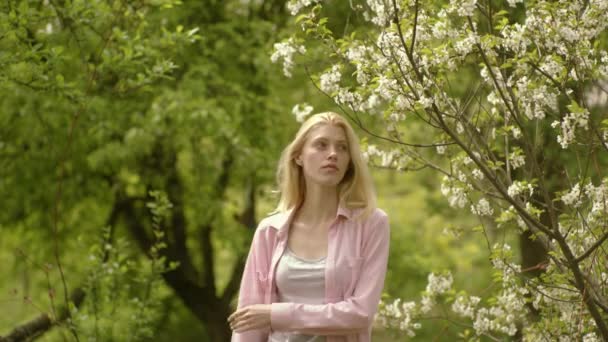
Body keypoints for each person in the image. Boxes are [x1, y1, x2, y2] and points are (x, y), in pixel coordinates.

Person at [228, 112, 390, 342]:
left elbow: (360, 314)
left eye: (342, 148)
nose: (333, 154)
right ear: (299, 157)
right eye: (321, 145)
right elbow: (248, 324)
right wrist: (267, 318)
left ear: (349, 162)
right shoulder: (270, 231)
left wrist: (276, 314)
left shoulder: (371, 224)